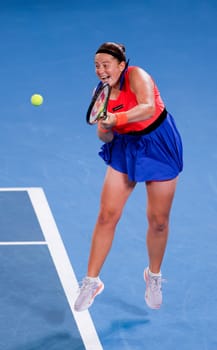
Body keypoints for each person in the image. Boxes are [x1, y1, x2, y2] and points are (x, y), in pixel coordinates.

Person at [74, 42, 183, 312]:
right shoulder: (101, 93)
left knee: (158, 221)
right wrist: (105, 127)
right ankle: (91, 281)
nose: (100, 70)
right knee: (107, 215)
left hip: (158, 144)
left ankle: (153, 276)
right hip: (125, 146)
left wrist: (116, 118)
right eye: (97, 65)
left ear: (121, 65)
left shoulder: (138, 75)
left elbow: (147, 107)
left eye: (106, 64)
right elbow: (105, 135)